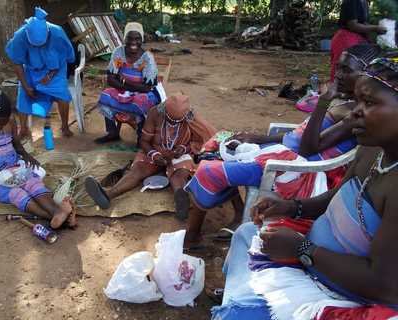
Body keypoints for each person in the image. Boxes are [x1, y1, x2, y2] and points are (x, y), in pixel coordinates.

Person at [208, 55, 398, 320]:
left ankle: (238, 296)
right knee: (245, 232)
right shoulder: (370, 144)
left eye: (369, 102)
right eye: (338, 69)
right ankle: (234, 289)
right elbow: (337, 191)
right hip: (282, 159)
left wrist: (303, 250)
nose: (357, 109)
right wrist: (293, 206)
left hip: (343, 287)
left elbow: (308, 147)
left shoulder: (351, 122)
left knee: (236, 314)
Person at [183, 44, 379, 250]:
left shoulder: (354, 114)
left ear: (366, 75)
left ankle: (193, 236)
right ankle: (239, 213)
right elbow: (299, 134)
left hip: (294, 170)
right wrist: (257, 137)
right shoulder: (343, 100)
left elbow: (307, 148)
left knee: (207, 170)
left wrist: (322, 101)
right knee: (220, 151)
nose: (338, 75)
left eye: (346, 71)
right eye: (338, 68)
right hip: (283, 153)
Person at [0, 90, 76, 229]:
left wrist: (26, 155)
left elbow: (15, 143)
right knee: (16, 194)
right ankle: (59, 218)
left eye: (2, 124)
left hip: (13, 166)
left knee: (33, 183)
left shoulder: (10, 119)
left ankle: (57, 213)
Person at [85, 91, 216, 219]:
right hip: (154, 151)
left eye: (178, 121)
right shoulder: (155, 112)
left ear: (186, 114)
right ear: (164, 110)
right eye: (171, 120)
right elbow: (144, 141)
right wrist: (153, 154)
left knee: (180, 172)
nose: (174, 124)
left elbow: (200, 141)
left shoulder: (191, 117)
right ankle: (108, 194)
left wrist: (183, 148)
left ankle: (181, 197)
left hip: (179, 155)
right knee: (137, 171)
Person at [6, 7, 75, 139]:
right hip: (31, 68)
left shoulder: (57, 33)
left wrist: (49, 76)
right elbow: (17, 63)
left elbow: (64, 58)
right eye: (35, 46)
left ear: (48, 34)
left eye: (41, 45)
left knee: (61, 93)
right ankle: (24, 129)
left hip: (55, 68)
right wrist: (26, 86)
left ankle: (65, 126)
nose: (38, 48)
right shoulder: (20, 37)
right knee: (23, 94)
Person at [94, 22, 166, 148]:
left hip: (146, 93)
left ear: (141, 40)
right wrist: (126, 85)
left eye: (137, 39)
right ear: (125, 39)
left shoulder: (147, 58)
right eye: (130, 38)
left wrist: (123, 80)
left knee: (140, 101)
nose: (133, 42)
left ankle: (140, 137)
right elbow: (110, 80)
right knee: (105, 95)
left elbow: (146, 87)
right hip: (126, 88)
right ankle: (112, 133)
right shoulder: (118, 52)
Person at [329, 0, 386, 82]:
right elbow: (352, 25)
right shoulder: (351, 2)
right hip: (346, 39)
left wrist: (377, 28)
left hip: (358, 38)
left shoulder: (363, 2)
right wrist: (374, 28)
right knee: (345, 70)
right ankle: (338, 92)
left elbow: (362, 23)